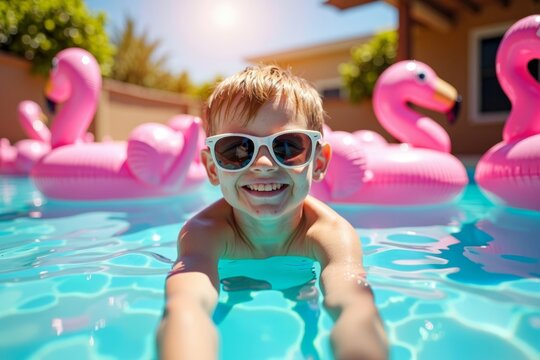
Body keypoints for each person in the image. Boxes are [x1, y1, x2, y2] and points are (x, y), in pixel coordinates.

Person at [157, 65, 388, 360]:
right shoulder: (203, 233)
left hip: (302, 285)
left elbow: (353, 306)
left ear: (318, 162)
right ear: (213, 168)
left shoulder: (331, 234)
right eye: (236, 149)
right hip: (232, 281)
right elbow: (185, 307)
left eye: (287, 146)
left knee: (308, 323)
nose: (263, 164)